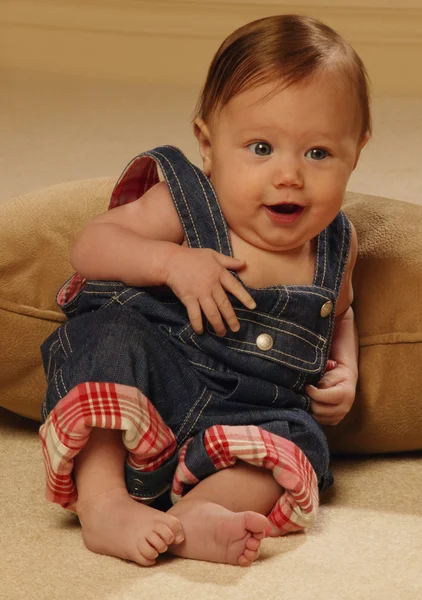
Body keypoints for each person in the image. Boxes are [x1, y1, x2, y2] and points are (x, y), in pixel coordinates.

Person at [39, 13, 371, 568]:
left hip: (248, 413)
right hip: (155, 378)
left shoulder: (338, 245)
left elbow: (341, 314)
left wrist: (346, 369)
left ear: (355, 152)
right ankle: (105, 505)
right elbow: (92, 246)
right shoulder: (188, 202)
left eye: (317, 153)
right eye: (261, 147)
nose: (289, 174)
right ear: (208, 144)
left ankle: (198, 514)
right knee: (107, 339)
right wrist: (169, 262)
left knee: (297, 440)